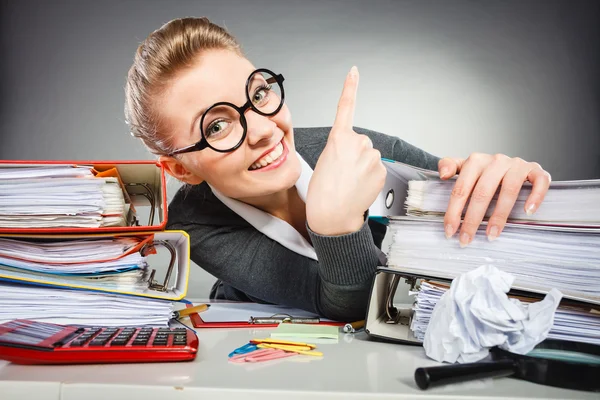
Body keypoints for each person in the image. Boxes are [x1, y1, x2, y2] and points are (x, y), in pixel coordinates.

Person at [124, 17, 551, 321]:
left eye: (258, 93)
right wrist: (336, 225)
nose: (264, 130)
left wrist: (496, 184)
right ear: (182, 170)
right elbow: (344, 303)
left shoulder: (360, 148)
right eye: (217, 126)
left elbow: (467, 218)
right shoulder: (194, 224)